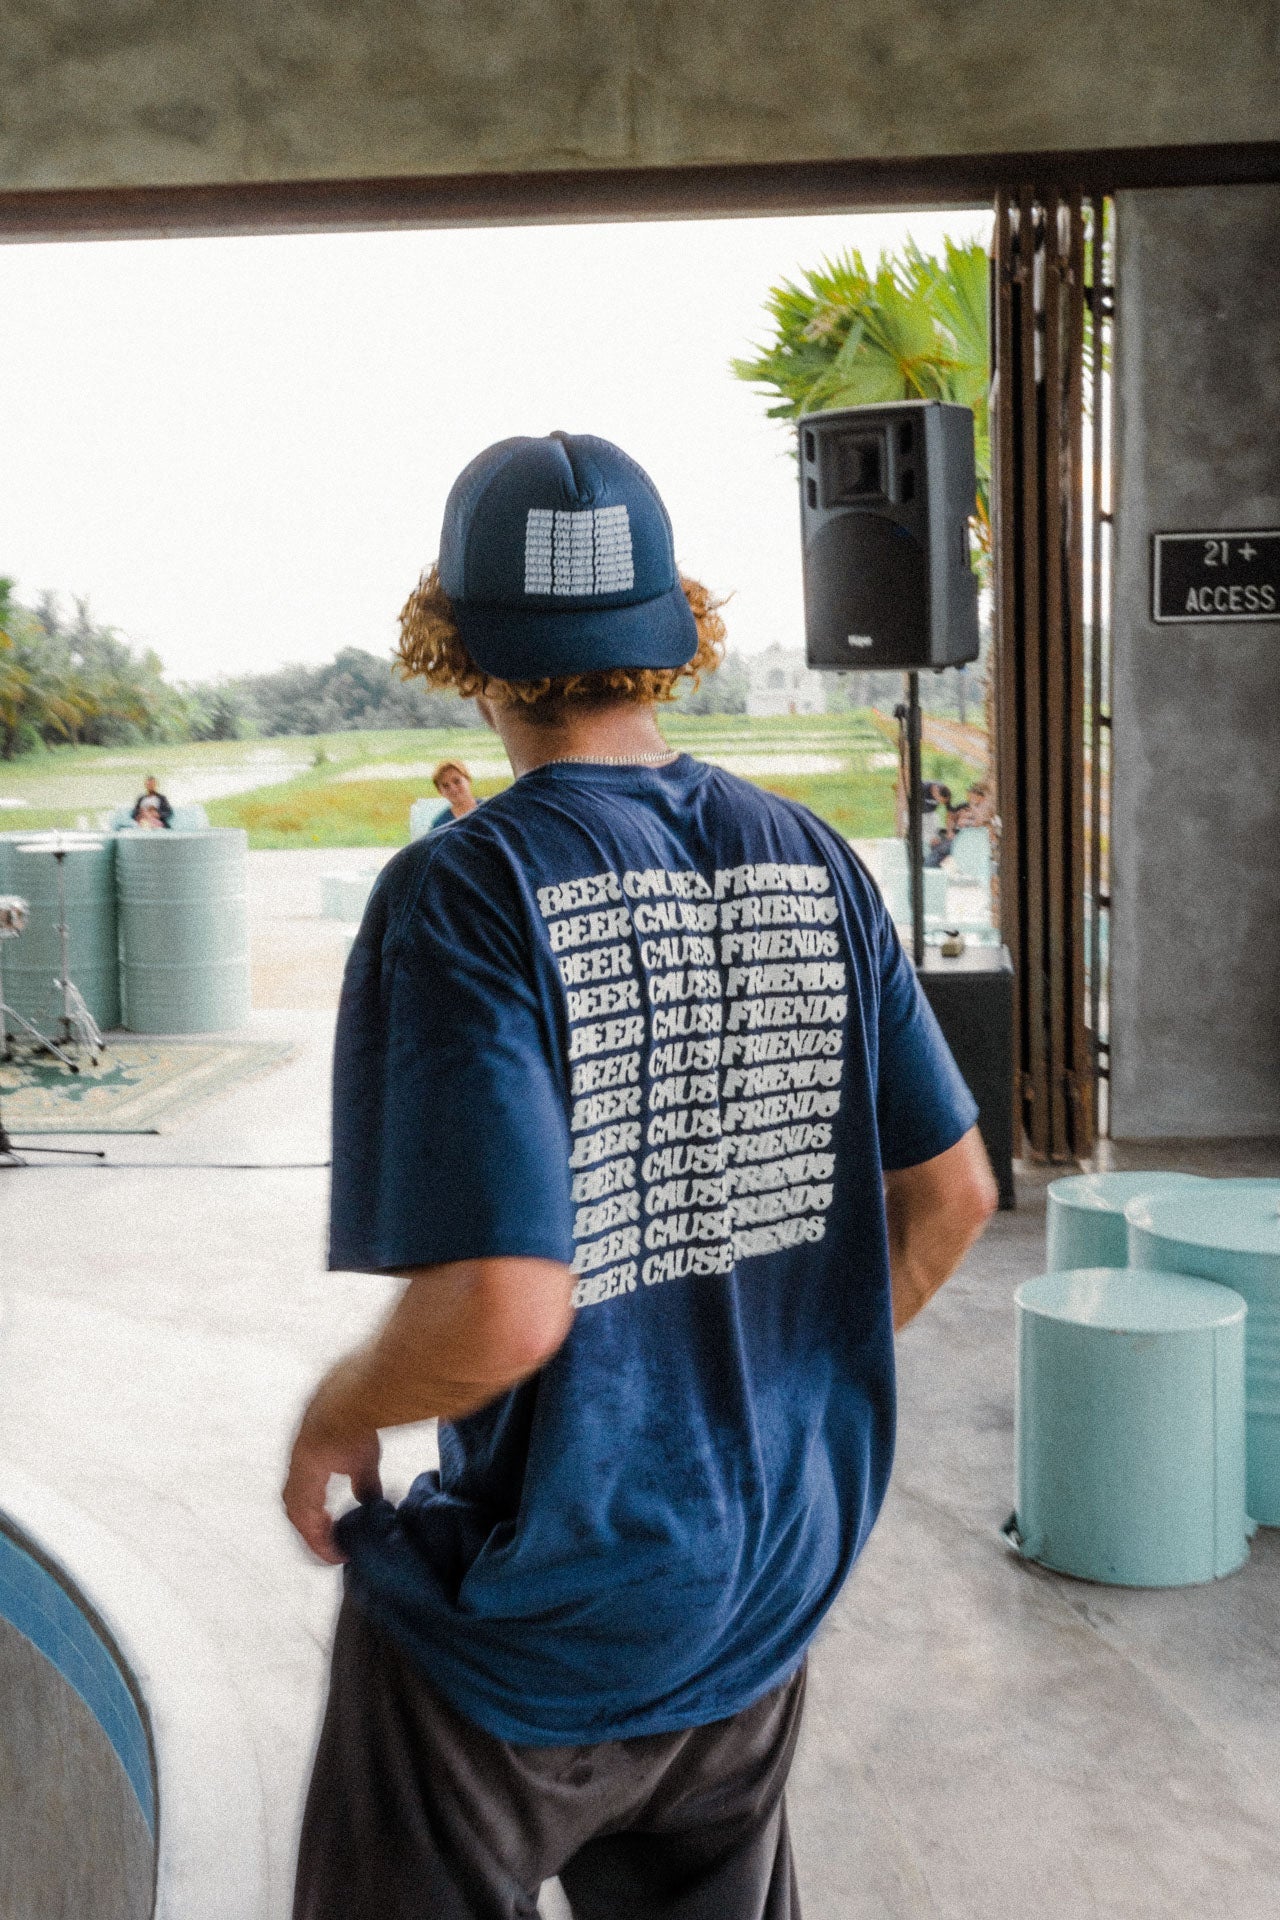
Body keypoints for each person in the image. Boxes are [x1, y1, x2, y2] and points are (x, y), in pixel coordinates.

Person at [284, 431, 997, 1920]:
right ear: (673, 631)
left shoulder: (470, 884)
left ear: (454, 638)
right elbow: (954, 1199)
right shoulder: (815, 856)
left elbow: (503, 1309)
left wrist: (336, 1415)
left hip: (542, 1622)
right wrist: (770, 1404)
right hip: (763, 1592)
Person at [430, 757, 480, 824]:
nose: (453, 788)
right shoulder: (440, 824)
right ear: (440, 792)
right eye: (446, 786)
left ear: (468, 780)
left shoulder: (490, 810)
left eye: (457, 781)